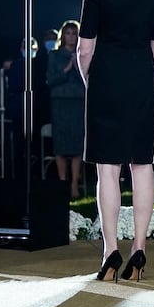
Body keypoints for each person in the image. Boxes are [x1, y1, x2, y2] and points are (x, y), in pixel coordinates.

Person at [76, 0, 154, 281]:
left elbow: (85, 48)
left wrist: (91, 80)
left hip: (105, 79)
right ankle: (139, 251)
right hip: (142, 79)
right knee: (142, 165)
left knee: (108, 169)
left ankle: (109, 251)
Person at [46, 19, 86, 197]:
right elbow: (51, 80)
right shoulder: (54, 55)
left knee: (77, 145)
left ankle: (74, 185)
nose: (71, 37)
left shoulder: (83, 55)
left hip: (78, 101)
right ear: (64, 36)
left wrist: (77, 67)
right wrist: (67, 68)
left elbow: (88, 81)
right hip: (60, 102)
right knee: (61, 145)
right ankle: (63, 184)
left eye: (74, 33)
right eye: (68, 33)